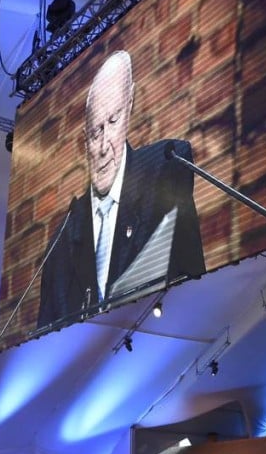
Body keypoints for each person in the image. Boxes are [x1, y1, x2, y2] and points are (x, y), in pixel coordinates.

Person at [36, 49, 205, 329]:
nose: (103, 147)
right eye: (94, 132)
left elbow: (189, 278)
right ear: (84, 140)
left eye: (112, 122)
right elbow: (44, 334)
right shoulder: (61, 243)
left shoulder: (163, 170)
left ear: (129, 108)